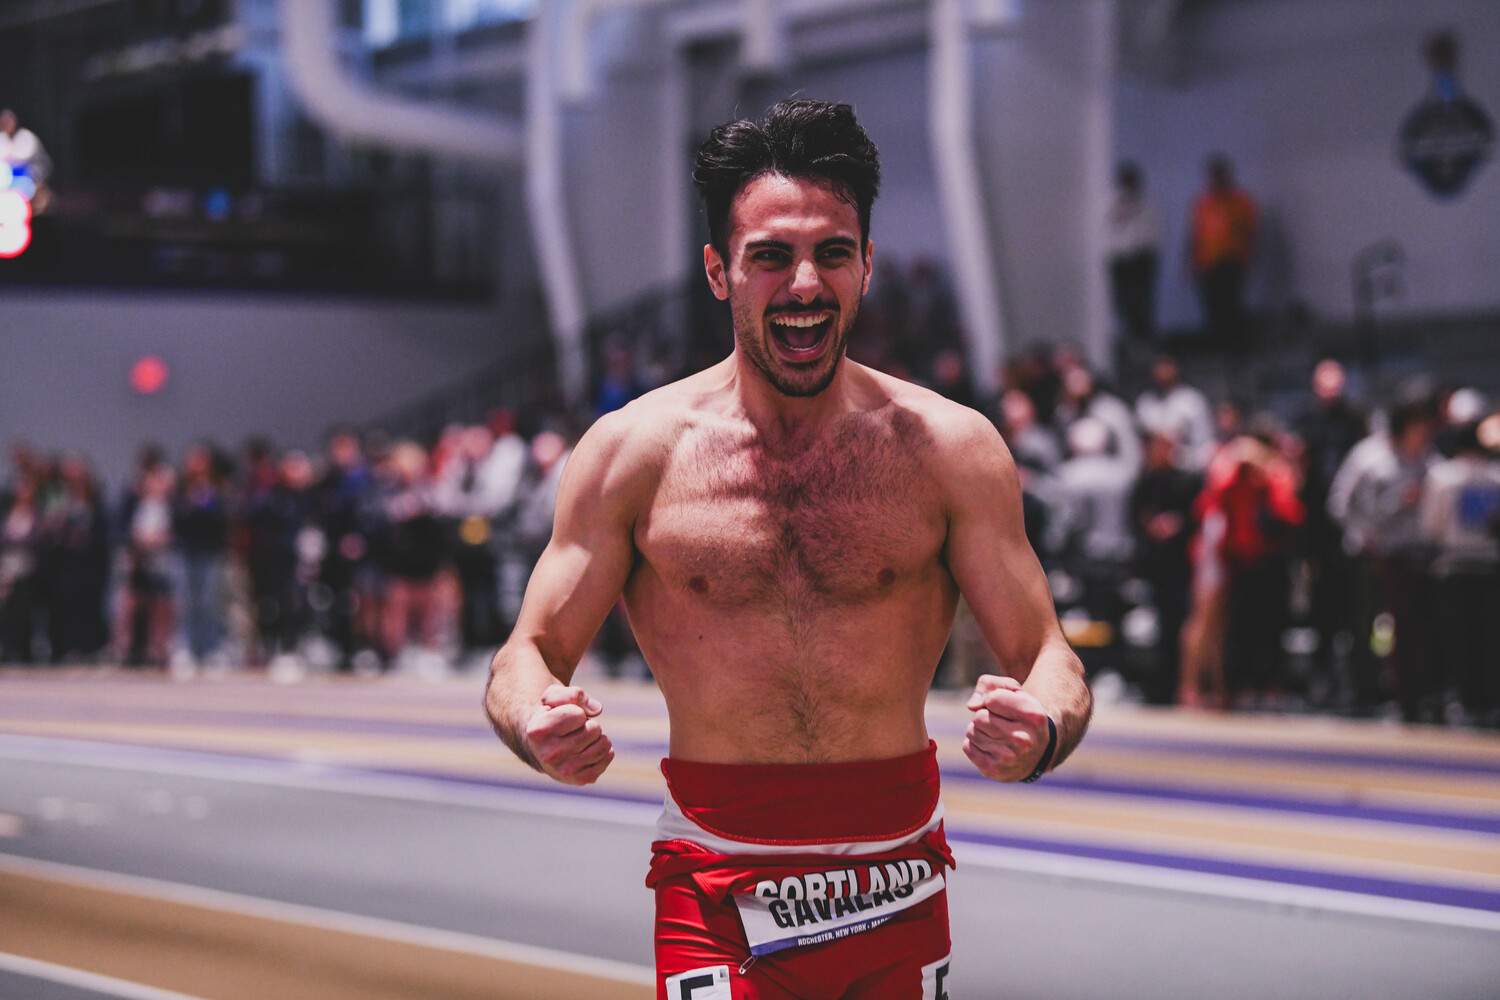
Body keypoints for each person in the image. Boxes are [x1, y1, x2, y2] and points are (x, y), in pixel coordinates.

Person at [484, 99, 1091, 999]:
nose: (804, 283)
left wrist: (1040, 729)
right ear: (718, 272)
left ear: (868, 265)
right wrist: (537, 723)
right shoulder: (633, 454)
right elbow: (525, 654)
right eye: (770, 256)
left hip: (896, 875)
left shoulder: (949, 450)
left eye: (832, 253)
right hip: (717, 876)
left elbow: (1048, 655)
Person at [1188, 155, 1256, 352]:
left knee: (1231, 304)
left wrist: (1248, 258)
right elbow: (1195, 234)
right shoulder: (1204, 203)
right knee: (1212, 304)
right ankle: (1216, 342)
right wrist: (1192, 261)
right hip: (1208, 262)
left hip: (1232, 261)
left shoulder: (1239, 202)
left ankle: (1234, 344)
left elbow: (1250, 232)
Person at [1106, 162, 1160, 377]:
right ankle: (1130, 348)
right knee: (1123, 305)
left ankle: (1146, 349)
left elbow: (1151, 236)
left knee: (1142, 305)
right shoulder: (1111, 203)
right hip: (1120, 262)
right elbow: (1107, 233)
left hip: (1142, 261)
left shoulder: (1146, 204)